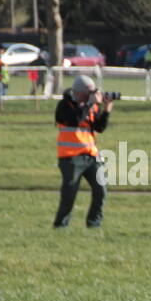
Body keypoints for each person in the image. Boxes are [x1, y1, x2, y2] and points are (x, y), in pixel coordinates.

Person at [52, 74, 113, 228]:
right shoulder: (64, 105)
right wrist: (89, 105)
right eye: (88, 93)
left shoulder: (91, 106)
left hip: (91, 156)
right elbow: (75, 119)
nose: (91, 96)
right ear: (79, 92)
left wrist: (106, 110)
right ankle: (61, 225)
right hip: (70, 158)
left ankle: (94, 224)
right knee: (69, 194)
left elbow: (99, 128)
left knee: (101, 191)